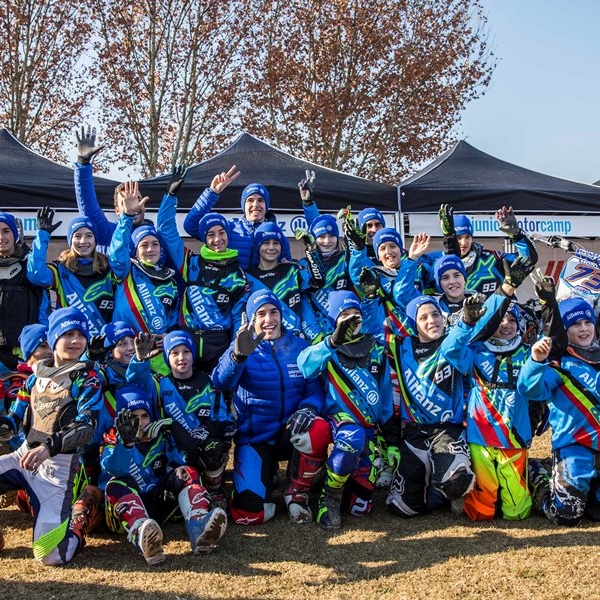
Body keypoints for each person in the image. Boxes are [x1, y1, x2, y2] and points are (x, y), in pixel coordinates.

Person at [212, 290, 330, 525]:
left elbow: (314, 389)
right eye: (261, 314)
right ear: (251, 319)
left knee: (318, 429)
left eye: (273, 312)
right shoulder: (242, 346)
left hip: (291, 431)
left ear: (281, 314)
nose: (269, 320)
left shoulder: (299, 346)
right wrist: (238, 356)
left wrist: (308, 408)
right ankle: (267, 477)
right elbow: (219, 382)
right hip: (257, 438)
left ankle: (297, 493)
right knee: (249, 514)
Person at [0, 307, 102, 565]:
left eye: (81, 334)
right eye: (68, 334)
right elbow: (14, 419)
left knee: (50, 555)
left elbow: (86, 426)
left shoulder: (87, 378)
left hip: (58, 469)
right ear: (54, 337)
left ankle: (78, 524)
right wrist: (3, 425)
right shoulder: (34, 377)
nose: (76, 340)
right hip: (23, 457)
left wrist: (48, 448)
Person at [297, 291, 399, 530]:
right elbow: (304, 366)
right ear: (334, 319)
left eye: (355, 314)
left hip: (369, 428)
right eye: (344, 315)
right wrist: (332, 341)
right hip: (340, 421)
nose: (352, 319)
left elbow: (386, 397)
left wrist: (392, 441)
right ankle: (329, 497)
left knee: (359, 508)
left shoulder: (376, 348)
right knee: (352, 437)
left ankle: (332, 475)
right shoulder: (327, 344)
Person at [101, 385, 227, 564]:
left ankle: (198, 526)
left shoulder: (162, 435)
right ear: (122, 418)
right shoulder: (112, 437)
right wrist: (126, 444)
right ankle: (141, 533)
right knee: (116, 484)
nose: (140, 422)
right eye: (133, 417)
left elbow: (186, 459)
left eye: (144, 415)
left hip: (157, 502)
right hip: (121, 513)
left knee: (186, 472)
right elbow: (114, 469)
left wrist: (174, 427)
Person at [441, 296, 538, 521]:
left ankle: (534, 479)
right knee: (481, 508)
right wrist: (466, 322)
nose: (506, 325)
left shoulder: (528, 352)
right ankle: (480, 507)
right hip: (481, 430)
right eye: (500, 320)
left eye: (512, 320)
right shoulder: (476, 350)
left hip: (514, 432)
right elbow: (449, 350)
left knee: (517, 511)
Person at [520, 296, 600, 526]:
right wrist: (536, 361)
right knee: (566, 515)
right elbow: (529, 389)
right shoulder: (557, 365)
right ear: (564, 331)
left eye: (588, 322)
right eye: (575, 324)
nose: (584, 328)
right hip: (575, 448)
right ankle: (538, 472)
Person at [157, 189, 248, 371]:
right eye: (211, 234)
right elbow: (166, 230)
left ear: (228, 235)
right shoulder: (191, 262)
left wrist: (235, 350)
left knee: (217, 388)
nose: (217, 239)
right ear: (205, 238)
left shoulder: (238, 275)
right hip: (185, 341)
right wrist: (170, 195)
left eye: (221, 233)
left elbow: (239, 317)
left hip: (218, 344)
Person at [155, 330, 237, 508]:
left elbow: (224, 416)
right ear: (167, 357)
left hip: (205, 446)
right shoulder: (161, 386)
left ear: (193, 353)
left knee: (214, 446)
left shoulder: (209, 381)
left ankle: (214, 488)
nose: (181, 357)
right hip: (176, 451)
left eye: (186, 351)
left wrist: (208, 429)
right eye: (174, 353)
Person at [108, 181, 179, 339]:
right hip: (127, 345)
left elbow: (173, 317)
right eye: (144, 245)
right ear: (135, 251)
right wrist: (127, 216)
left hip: (158, 347)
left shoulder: (170, 280)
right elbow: (117, 254)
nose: (150, 249)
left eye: (155, 244)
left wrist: (168, 336)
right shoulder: (126, 270)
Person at [27, 211, 116, 336]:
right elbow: (36, 275)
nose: (83, 241)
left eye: (89, 236)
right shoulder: (60, 268)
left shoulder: (109, 267)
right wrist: (42, 234)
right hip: (71, 339)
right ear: (70, 239)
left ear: (95, 239)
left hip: (105, 340)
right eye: (77, 236)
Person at [183, 167, 291, 270]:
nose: (255, 205)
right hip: (232, 282)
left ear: (266, 205)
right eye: (250, 200)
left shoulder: (278, 236)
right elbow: (190, 225)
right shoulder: (228, 230)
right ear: (243, 205)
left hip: (262, 283)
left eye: (261, 200)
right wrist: (212, 193)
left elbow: (286, 269)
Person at [74, 126, 156, 254]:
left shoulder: (157, 237)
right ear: (117, 210)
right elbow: (89, 206)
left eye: (137, 199)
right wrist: (83, 163)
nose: (133, 206)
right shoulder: (108, 233)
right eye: (125, 202)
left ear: (144, 205)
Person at [246, 222, 320, 340]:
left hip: (293, 340)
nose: (271, 247)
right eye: (266, 243)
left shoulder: (293, 270)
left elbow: (318, 282)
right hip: (262, 341)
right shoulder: (247, 276)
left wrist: (312, 250)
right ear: (257, 246)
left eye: (276, 243)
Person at [0, 211, 46, 372]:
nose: (1, 237)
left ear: (15, 233)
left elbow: (43, 307)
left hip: (23, 351)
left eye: (6, 231)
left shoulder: (30, 264)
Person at [296, 214, 351, 340]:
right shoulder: (303, 264)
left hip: (346, 328)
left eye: (331, 236)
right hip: (319, 332)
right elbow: (311, 290)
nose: (327, 241)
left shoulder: (345, 259)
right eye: (321, 236)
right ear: (313, 239)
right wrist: (316, 335)